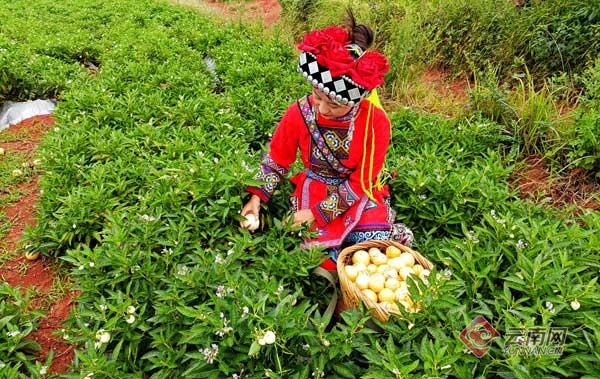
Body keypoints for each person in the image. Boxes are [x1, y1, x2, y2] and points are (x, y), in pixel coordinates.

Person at [240, 11, 413, 271]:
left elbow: (362, 182)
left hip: (358, 194)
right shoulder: (298, 112)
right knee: (319, 259)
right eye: (316, 96)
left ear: (355, 101)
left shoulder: (375, 122)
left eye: (333, 104)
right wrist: (256, 198)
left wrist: (316, 214)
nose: (321, 109)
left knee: (373, 251)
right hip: (316, 186)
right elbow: (277, 159)